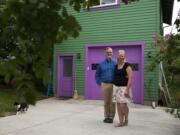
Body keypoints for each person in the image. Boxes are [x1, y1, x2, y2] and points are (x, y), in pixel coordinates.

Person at [95, 47, 116, 123]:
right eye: (108, 52)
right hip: (104, 84)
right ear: (105, 53)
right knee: (106, 102)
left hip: (113, 85)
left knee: (112, 102)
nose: (109, 54)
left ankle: (111, 117)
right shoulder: (101, 64)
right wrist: (99, 82)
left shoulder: (115, 63)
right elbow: (97, 74)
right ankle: (106, 116)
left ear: (112, 53)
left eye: (110, 52)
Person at [112, 50, 133, 127]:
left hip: (124, 88)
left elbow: (130, 78)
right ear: (117, 56)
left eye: (123, 55)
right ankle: (121, 122)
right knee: (118, 105)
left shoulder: (127, 66)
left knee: (122, 105)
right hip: (115, 87)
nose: (122, 56)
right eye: (120, 55)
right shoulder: (115, 65)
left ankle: (126, 119)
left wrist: (127, 89)